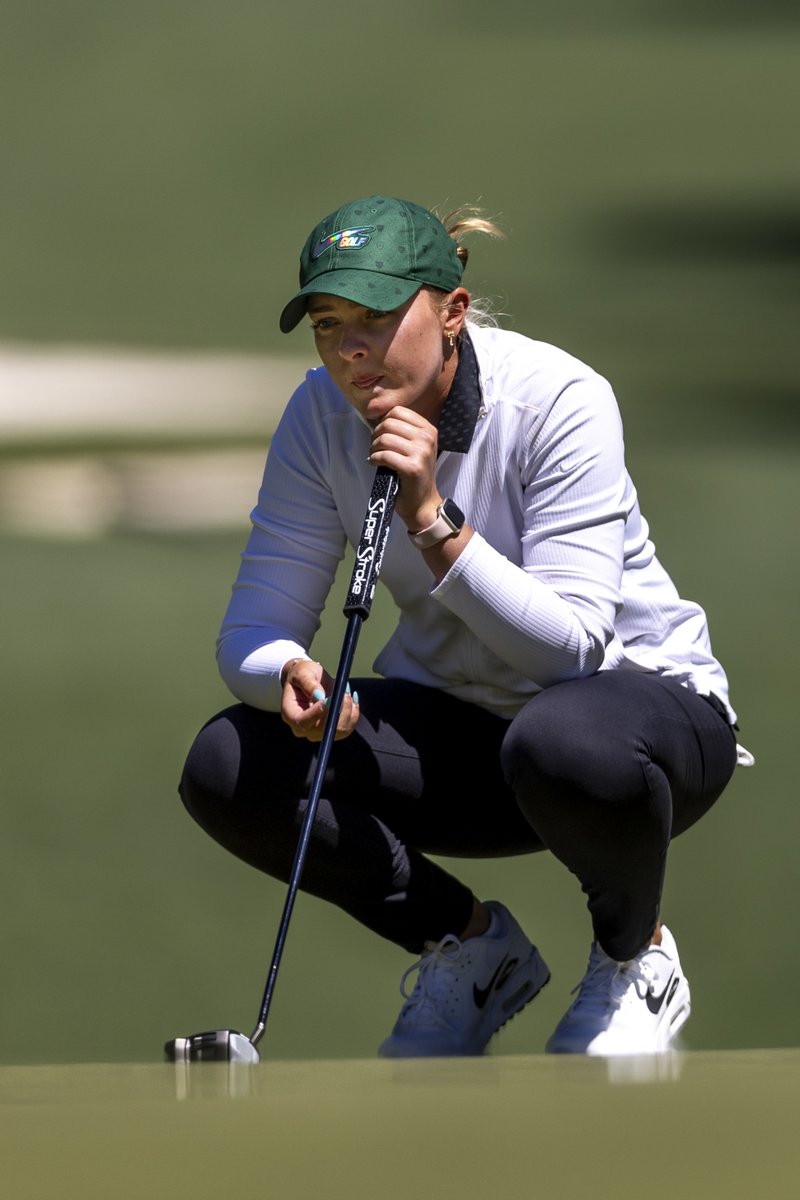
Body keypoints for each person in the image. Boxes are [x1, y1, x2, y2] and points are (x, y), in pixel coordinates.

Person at [179, 194, 750, 1058]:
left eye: (375, 318)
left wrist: (432, 518)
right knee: (230, 764)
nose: (350, 351)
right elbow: (255, 625)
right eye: (329, 324)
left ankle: (637, 958)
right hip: (472, 744)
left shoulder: (558, 397)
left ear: (452, 312)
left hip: (642, 732)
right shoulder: (316, 417)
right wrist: (285, 674)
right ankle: (474, 950)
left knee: (562, 739)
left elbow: (571, 650)